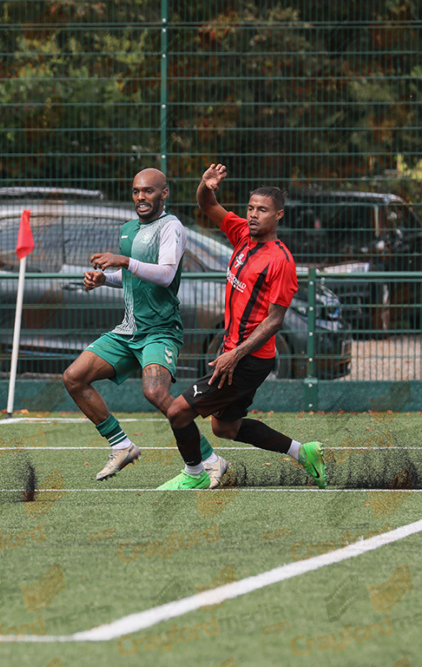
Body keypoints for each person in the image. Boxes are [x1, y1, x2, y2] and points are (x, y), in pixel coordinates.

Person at [158, 164, 325, 489]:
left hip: (248, 359)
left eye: (262, 210)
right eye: (250, 208)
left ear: (278, 216)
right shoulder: (241, 235)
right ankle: (303, 453)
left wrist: (234, 355)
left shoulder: (280, 261)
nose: (252, 215)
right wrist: (206, 186)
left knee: (178, 411)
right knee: (225, 428)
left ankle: (195, 474)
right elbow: (207, 205)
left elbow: (275, 320)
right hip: (235, 353)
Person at [62, 168, 228, 486]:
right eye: (137, 191)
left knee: (154, 392)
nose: (141, 197)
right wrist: (104, 278)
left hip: (160, 329)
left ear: (164, 193)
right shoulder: (128, 230)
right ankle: (121, 445)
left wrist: (123, 262)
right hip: (129, 330)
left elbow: (165, 274)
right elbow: (134, 276)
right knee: (74, 378)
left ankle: (210, 459)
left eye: (149, 191)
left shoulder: (171, 227)